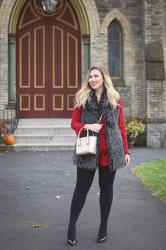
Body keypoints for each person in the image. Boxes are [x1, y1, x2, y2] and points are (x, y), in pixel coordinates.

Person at [67, 66, 130, 245]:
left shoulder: (115, 99)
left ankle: (103, 226)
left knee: (106, 189)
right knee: (81, 189)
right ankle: (71, 226)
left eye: (96, 76)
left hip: (110, 150)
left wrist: (126, 150)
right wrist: (87, 126)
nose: (93, 79)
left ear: (104, 78)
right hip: (88, 149)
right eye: (90, 76)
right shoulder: (82, 98)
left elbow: (121, 126)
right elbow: (74, 123)